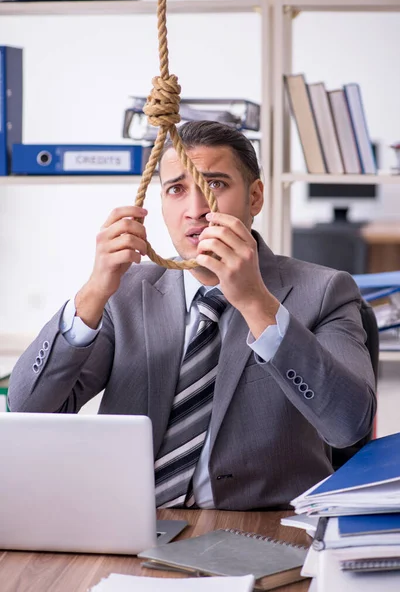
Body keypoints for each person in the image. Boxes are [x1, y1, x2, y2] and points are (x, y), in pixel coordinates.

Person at [8, 120, 375, 511]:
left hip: (261, 529)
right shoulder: (124, 293)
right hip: (126, 523)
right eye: (177, 190)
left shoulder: (325, 291)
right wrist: (93, 291)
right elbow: (28, 410)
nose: (196, 210)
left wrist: (257, 304)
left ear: (255, 198)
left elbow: (348, 425)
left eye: (215, 184)